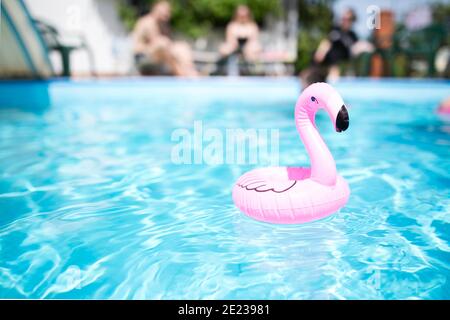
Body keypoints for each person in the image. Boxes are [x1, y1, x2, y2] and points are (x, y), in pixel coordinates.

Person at [133, 1, 198, 77]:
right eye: (164, 10)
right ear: (155, 8)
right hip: (143, 56)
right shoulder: (146, 22)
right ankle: (179, 73)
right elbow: (138, 47)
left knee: (182, 46)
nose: (167, 13)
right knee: (162, 43)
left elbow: (169, 44)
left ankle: (191, 71)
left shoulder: (163, 25)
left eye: (168, 11)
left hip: (161, 55)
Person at [311, 8, 359, 82]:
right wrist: (320, 53)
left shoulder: (353, 36)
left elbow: (355, 50)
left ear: (352, 21)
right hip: (330, 63)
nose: (345, 21)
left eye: (348, 19)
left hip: (345, 64)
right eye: (343, 18)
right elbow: (326, 42)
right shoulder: (335, 30)